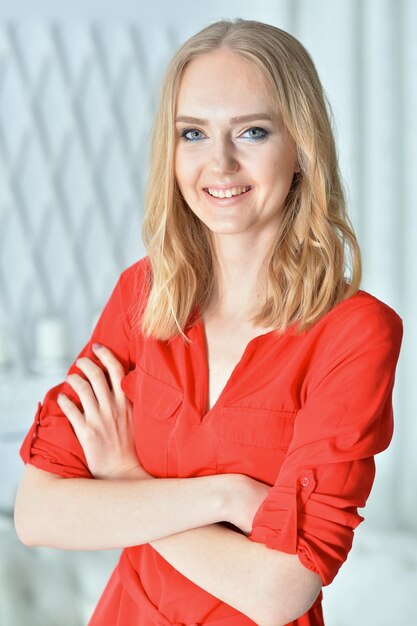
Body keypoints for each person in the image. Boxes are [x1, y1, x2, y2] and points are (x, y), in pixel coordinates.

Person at [14, 18, 403, 626]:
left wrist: (125, 480)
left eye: (251, 131)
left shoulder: (355, 334)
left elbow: (280, 592)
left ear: (301, 147)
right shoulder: (142, 295)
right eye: (192, 133)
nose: (219, 163)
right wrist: (223, 497)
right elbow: (38, 513)